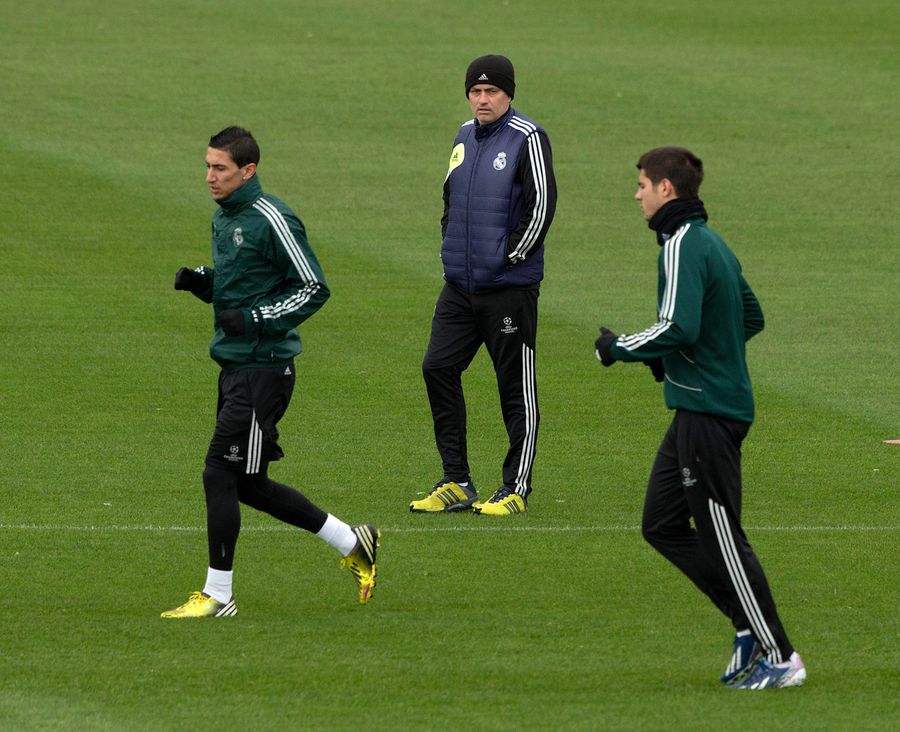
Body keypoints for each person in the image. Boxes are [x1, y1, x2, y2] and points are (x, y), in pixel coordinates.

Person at [593, 146, 806, 688]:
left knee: (722, 538)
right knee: (661, 524)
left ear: (667, 188)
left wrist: (618, 347)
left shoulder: (683, 245)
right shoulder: (711, 243)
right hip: (700, 406)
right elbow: (749, 316)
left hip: (708, 412)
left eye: (642, 183)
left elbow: (678, 327)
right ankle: (745, 628)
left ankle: (779, 656)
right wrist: (703, 358)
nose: (636, 193)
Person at [162, 126, 379, 617]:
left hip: (264, 371)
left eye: (220, 168)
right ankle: (354, 541)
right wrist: (205, 283)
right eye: (207, 166)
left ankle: (219, 596)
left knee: (219, 472)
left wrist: (256, 318)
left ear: (248, 170)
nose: (209, 177)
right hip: (235, 367)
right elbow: (243, 285)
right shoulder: (226, 218)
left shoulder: (271, 218)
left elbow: (313, 287)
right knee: (247, 483)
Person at [410, 54, 557, 516]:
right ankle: (456, 479)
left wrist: (506, 258)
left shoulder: (528, 138)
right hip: (460, 285)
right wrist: (450, 248)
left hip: (508, 288)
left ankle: (515, 487)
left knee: (515, 385)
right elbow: (450, 198)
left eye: (492, 91)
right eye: (475, 91)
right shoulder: (463, 136)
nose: (482, 99)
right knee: (437, 367)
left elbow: (543, 207)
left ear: (509, 94)